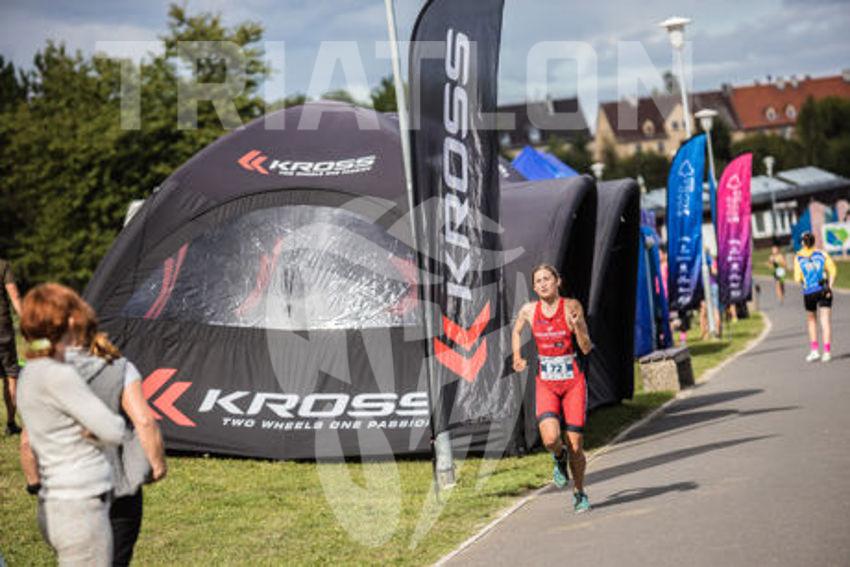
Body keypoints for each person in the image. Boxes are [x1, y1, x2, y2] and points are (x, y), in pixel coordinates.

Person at [20, 297, 167, 566]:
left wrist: (35, 485)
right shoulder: (121, 368)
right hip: (115, 490)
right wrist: (156, 466)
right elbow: (145, 421)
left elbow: (28, 442)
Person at [16, 283, 126, 566]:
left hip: (53, 502)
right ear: (67, 321)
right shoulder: (59, 374)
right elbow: (114, 430)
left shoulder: (30, 372)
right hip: (81, 507)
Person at [512, 264, 593, 513]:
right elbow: (516, 330)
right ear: (534, 287)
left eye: (547, 279)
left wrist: (578, 327)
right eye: (538, 281)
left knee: (576, 445)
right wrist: (517, 356)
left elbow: (586, 347)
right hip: (546, 383)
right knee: (550, 439)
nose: (543, 284)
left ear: (558, 281)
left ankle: (579, 492)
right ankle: (559, 456)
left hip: (572, 382)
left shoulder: (571, 306)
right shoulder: (529, 310)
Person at [794, 232, 838, 362]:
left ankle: (814, 351)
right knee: (825, 321)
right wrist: (830, 286)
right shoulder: (822, 254)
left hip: (809, 292)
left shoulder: (799, 257)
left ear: (802, 243)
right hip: (824, 289)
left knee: (812, 321)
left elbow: (797, 278)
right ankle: (827, 352)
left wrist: (805, 281)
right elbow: (833, 270)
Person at [1, 256, 23, 435]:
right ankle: (10, 423)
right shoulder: (3, 266)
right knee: (10, 375)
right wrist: (26, 321)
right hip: (2, 330)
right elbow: (14, 296)